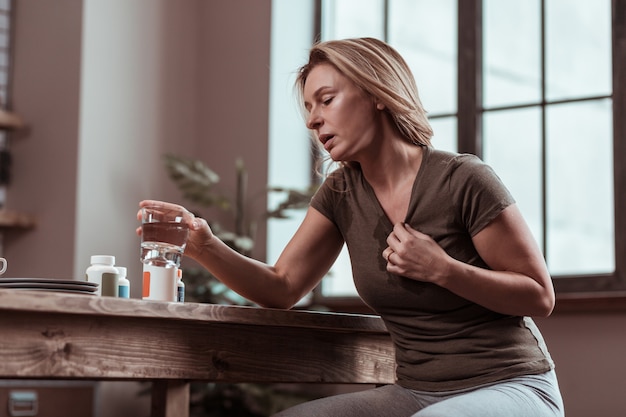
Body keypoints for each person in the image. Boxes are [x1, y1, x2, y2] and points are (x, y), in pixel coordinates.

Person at [137, 37, 564, 417]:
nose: (312, 120)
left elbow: (539, 295)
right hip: (418, 393)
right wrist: (204, 245)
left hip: (512, 386)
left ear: (375, 93)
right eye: (308, 107)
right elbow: (282, 287)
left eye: (326, 100)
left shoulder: (463, 179)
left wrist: (443, 269)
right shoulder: (341, 193)